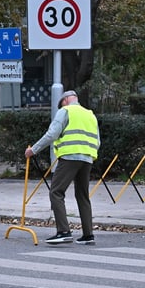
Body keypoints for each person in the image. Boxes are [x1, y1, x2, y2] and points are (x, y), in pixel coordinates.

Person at [25, 90, 100, 245]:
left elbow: (52, 134)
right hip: (87, 158)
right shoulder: (90, 114)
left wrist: (33, 150)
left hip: (69, 157)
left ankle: (63, 232)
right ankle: (88, 235)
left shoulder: (65, 111)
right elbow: (97, 141)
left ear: (65, 100)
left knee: (56, 192)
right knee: (83, 195)